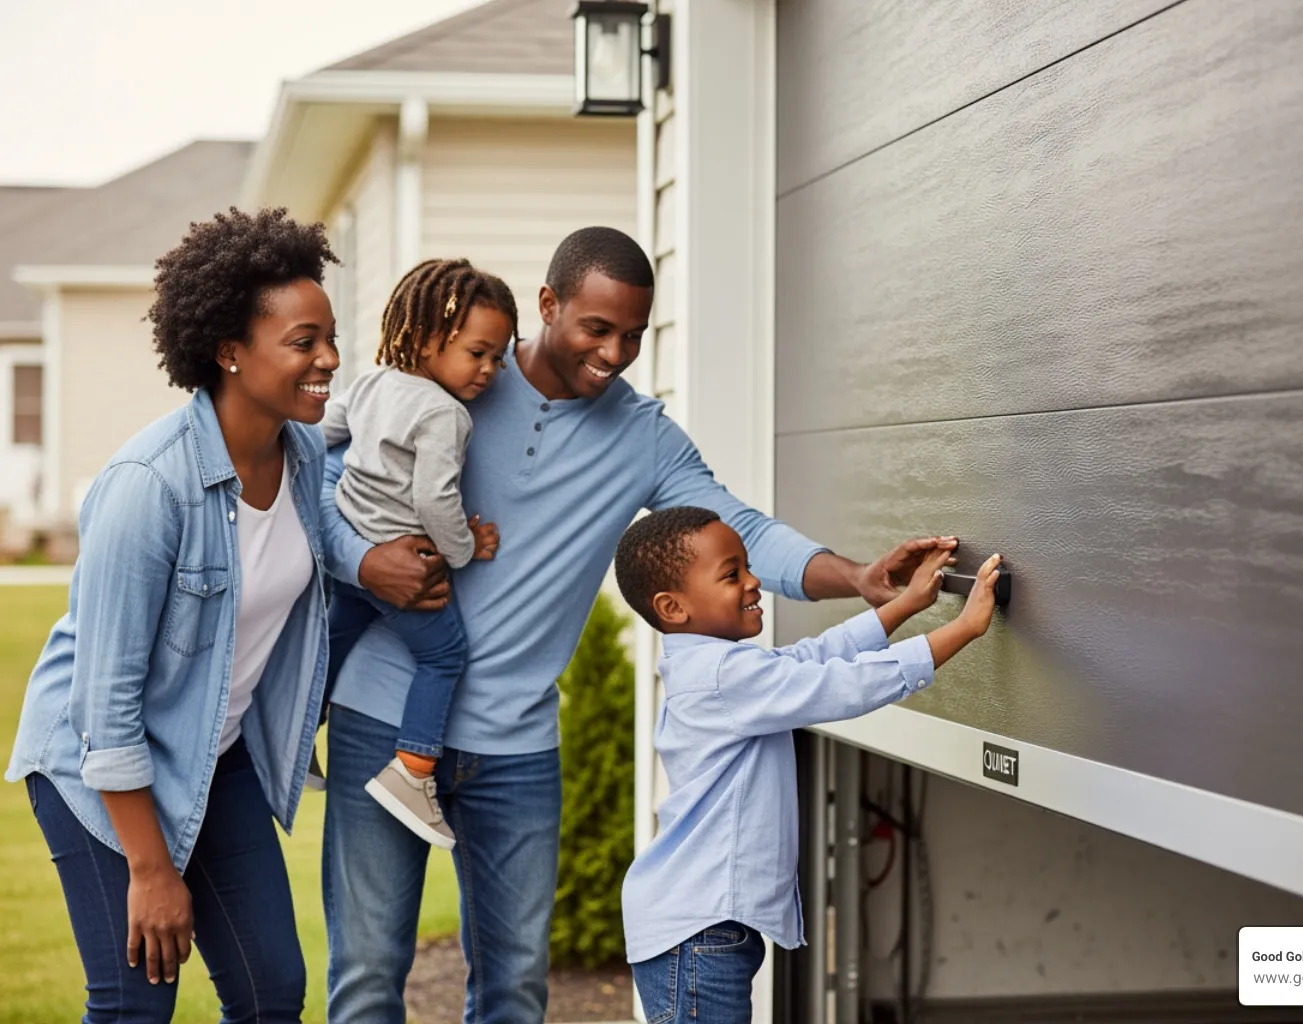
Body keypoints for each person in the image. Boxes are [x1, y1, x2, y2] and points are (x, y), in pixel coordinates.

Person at [318, 225, 959, 1023]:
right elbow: (327, 478)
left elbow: (742, 526)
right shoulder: (462, 379)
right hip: (384, 711)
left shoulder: (642, 433)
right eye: (597, 328)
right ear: (548, 305)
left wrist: (855, 577)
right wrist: (361, 562)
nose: (616, 352)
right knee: (369, 976)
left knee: (515, 989)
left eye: (633, 335)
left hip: (515, 745)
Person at [5, 207, 340, 1023]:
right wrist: (151, 871)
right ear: (230, 351)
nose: (329, 359)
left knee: (271, 994)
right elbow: (104, 707)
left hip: (213, 757)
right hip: (99, 770)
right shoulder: (148, 488)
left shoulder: (302, 457)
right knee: (135, 1003)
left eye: (330, 336)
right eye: (304, 343)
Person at [612, 507, 1003, 1021]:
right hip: (700, 931)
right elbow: (842, 684)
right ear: (673, 606)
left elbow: (814, 657)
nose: (754, 582)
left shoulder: (718, 667)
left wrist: (906, 604)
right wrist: (963, 629)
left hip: (702, 927)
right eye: (732, 574)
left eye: (748, 566)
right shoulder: (722, 676)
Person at [319, 258, 515, 849]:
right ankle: (413, 769)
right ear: (429, 340)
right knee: (446, 656)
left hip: (355, 561)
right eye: (477, 353)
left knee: (333, 638)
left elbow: (323, 431)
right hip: (405, 568)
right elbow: (435, 499)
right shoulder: (444, 414)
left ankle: (297, 734)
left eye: (498, 356)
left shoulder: (374, 382)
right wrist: (463, 550)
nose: (489, 369)